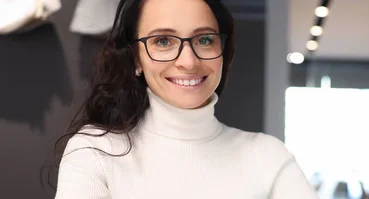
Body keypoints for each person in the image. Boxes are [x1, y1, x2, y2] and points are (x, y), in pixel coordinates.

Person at [53, 0, 319, 198]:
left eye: (204, 39)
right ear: (136, 58)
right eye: (163, 41)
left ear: (222, 51)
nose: (188, 61)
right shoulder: (95, 153)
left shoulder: (268, 157)